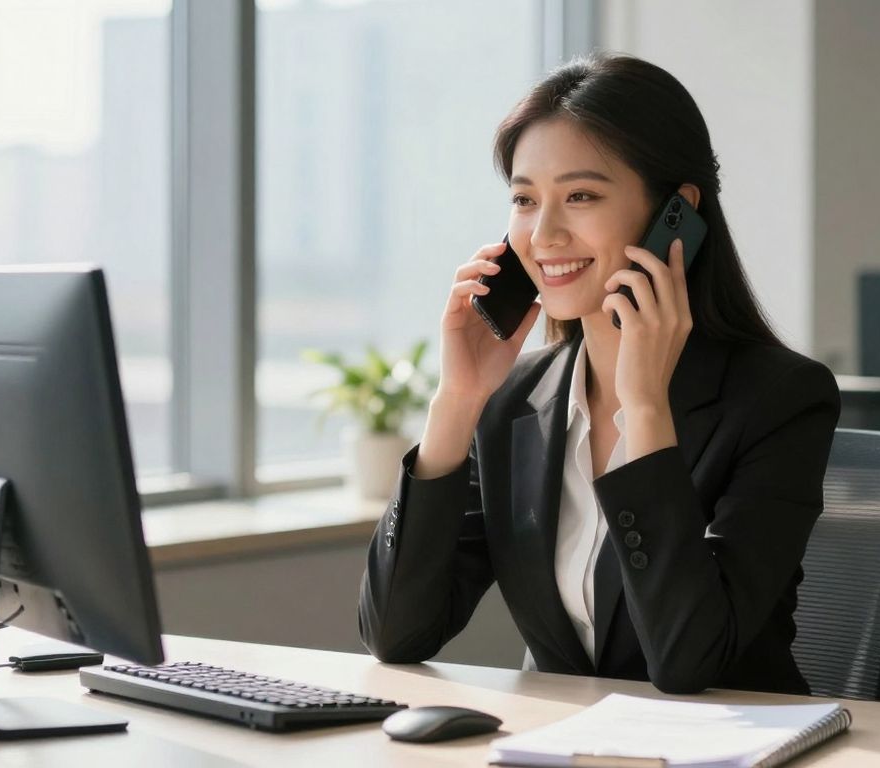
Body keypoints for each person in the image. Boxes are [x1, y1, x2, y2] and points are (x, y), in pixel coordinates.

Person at [357, 53, 840, 695]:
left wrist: (644, 414)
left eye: (580, 196)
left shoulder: (780, 400)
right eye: (525, 200)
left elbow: (689, 662)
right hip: (554, 747)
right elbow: (396, 633)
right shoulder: (512, 404)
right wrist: (457, 403)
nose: (544, 233)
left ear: (677, 213)